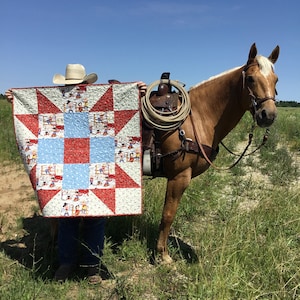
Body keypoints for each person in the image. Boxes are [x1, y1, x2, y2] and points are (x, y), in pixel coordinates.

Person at [6, 64, 147, 283]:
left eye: (78, 85)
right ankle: (66, 263)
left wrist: (135, 92)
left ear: (86, 85)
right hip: (63, 167)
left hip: (97, 166)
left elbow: (118, 107)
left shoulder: (97, 98)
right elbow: (35, 111)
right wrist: (15, 100)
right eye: (71, 85)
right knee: (67, 219)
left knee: (95, 217)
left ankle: (92, 266)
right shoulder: (57, 100)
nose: (75, 89)